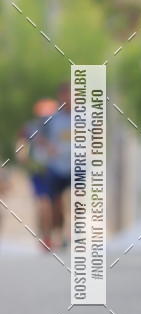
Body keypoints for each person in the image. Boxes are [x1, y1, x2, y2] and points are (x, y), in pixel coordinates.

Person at [17, 99, 58, 251]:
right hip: (38, 171)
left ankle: (58, 234)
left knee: (57, 205)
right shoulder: (30, 128)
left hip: (56, 171)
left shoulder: (58, 129)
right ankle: (45, 236)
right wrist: (24, 158)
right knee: (43, 204)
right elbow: (21, 145)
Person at [45, 83, 72, 248]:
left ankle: (75, 232)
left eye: (69, 95)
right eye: (63, 96)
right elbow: (43, 139)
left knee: (77, 198)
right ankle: (60, 234)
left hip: (78, 165)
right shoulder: (53, 119)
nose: (67, 99)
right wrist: (49, 148)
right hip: (57, 167)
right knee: (58, 204)